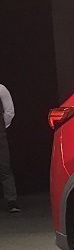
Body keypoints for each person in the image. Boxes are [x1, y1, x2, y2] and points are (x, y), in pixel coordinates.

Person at [0, 82, 20, 213]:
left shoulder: (1, 89)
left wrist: (2, 127)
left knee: (4, 167)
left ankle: (11, 200)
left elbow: (9, 111)